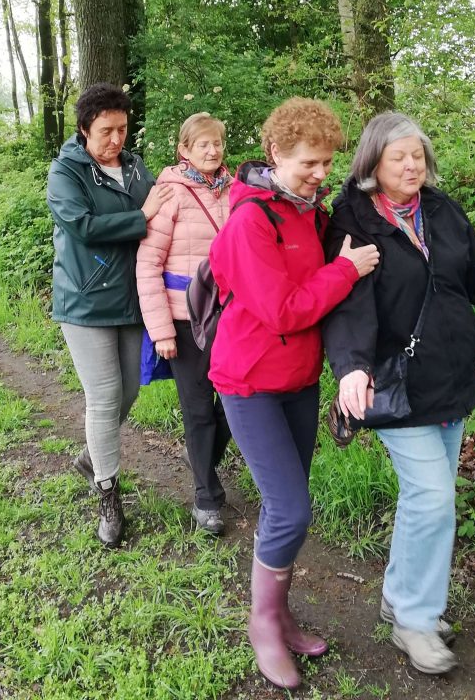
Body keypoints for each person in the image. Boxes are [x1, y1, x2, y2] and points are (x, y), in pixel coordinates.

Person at [322, 112, 475, 676]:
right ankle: (415, 619)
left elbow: (473, 275)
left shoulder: (442, 210)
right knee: (433, 498)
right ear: (372, 164)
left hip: (451, 378)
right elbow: (347, 302)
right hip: (395, 384)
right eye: (398, 157)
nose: (411, 165)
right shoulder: (352, 220)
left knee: (423, 500)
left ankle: (399, 597)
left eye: (418, 155)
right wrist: (351, 367)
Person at [207, 97, 380, 690]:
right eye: (310, 161)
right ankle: (261, 624)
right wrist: (347, 270)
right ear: (275, 153)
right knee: (291, 508)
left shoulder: (310, 211)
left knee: (290, 506)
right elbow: (283, 308)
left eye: (329, 162)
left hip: (299, 381)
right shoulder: (251, 220)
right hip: (249, 381)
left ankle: (280, 613)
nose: (321, 173)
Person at [47, 83, 173, 548]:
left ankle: (90, 457)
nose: (117, 139)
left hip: (132, 297)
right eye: (106, 131)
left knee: (130, 391)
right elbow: (82, 227)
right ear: (84, 130)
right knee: (103, 397)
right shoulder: (66, 173)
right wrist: (143, 214)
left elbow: (165, 210)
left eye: (122, 129)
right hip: (85, 301)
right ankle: (109, 495)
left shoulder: (136, 166)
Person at [135, 112, 232, 536]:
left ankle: (202, 462)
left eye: (217, 144)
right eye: (203, 145)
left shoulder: (236, 192)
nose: (212, 151)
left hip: (232, 318)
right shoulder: (169, 194)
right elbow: (148, 264)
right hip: (184, 320)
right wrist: (161, 332)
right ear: (184, 150)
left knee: (235, 406)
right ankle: (206, 497)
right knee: (198, 410)